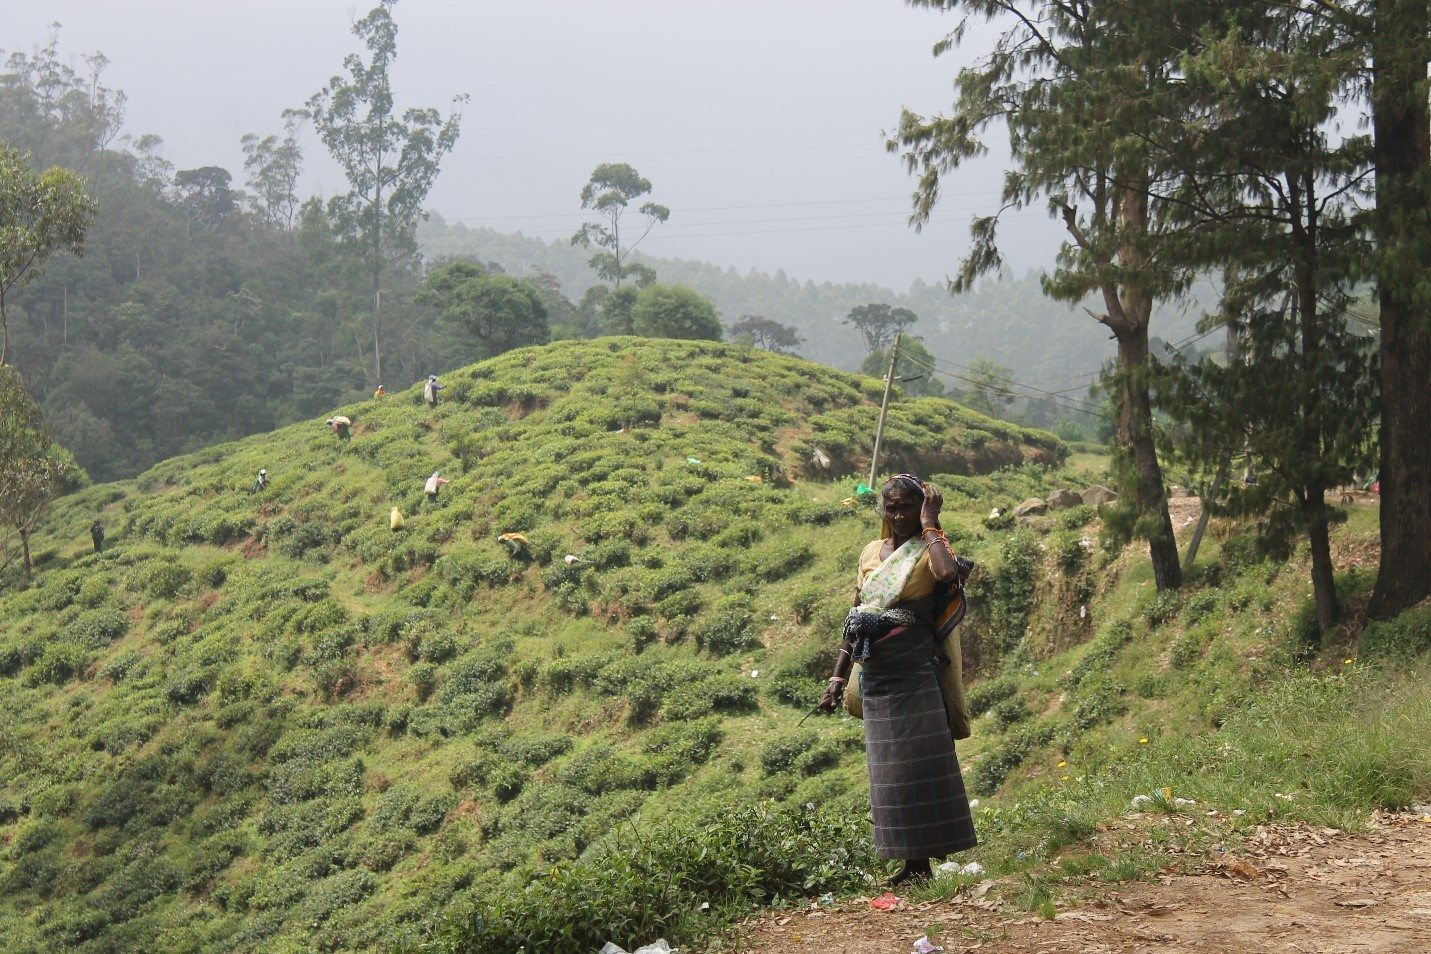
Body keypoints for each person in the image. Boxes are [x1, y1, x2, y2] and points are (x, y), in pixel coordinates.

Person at [819, 473, 977, 885]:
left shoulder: (932, 548)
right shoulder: (872, 551)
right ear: (883, 510)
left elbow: (946, 576)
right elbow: (857, 613)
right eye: (892, 507)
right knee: (889, 775)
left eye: (908, 506)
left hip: (915, 673)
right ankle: (912, 865)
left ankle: (924, 863)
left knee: (921, 769)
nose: (899, 514)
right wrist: (838, 677)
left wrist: (930, 524)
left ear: (922, 507)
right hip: (877, 676)